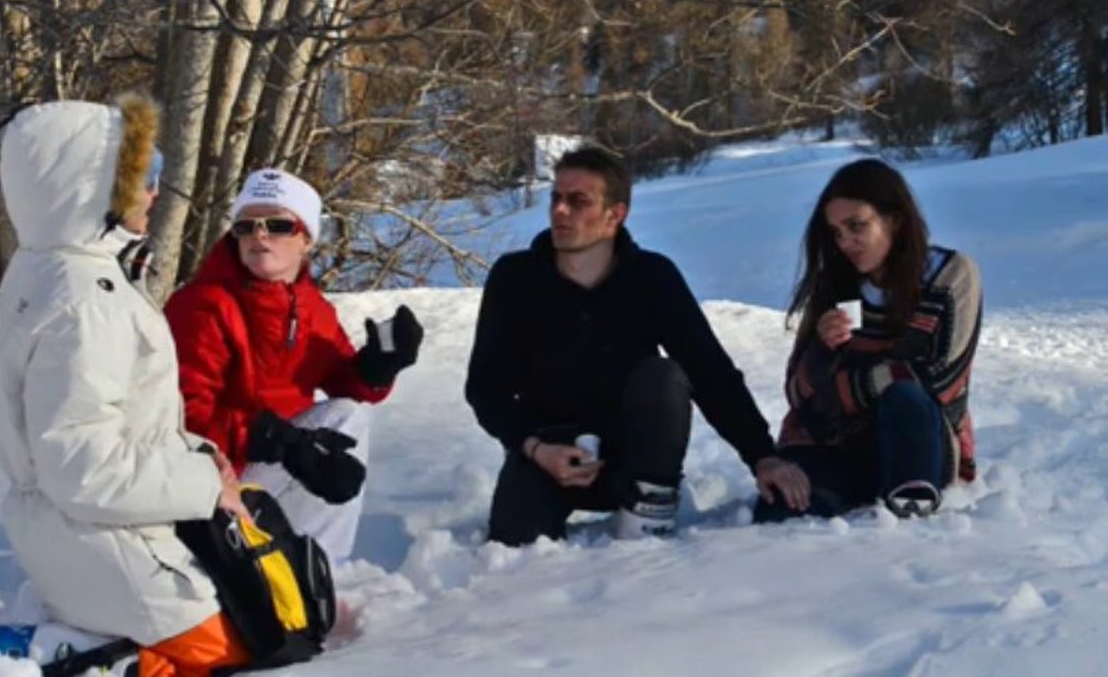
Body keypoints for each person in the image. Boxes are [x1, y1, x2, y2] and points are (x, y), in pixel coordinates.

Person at [0, 96, 257, 677]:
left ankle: (71, 647)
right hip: (101, 538)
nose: (155, 192)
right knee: (237, 653)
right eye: (144, 176)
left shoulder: (44, 267)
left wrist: (197, 455)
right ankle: (76, 661)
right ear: (92, 187)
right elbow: (82, 467)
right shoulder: (87, 302)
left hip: (69, 534)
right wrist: (205, 481)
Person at [464, 146, 810, 546]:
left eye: (578, 201)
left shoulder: (650, 277)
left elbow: (710, 372)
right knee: (515, 544)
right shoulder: (516, 278)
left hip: (634, 455)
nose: (560, 211)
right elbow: (486, 388)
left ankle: (651, 511)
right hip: (547, 451)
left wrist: (762, 455)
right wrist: (535, 448)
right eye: (556, 198)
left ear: (615, 215)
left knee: (665, 377)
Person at [165, 168, 423, 564]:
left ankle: (317, 566)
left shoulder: (309, 306)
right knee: (331, 430)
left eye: (278, 225)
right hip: (212, 477)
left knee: (348, 417)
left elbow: (346, 385)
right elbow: (182, 421)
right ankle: (298, 571)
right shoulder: (201, 305)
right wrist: (276, 441)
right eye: (245, 226)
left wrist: (376, 369)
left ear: (306, 240)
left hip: (272, 462)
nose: (259, 235)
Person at [757, 158, 982, 522]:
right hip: (831, 442)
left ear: (894, 219)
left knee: (906, 398)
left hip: (916, 440)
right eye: (836, 232)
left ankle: (910, 518)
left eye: (856, 226)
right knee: (781, 515)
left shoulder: (950, 276)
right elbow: (798, 395)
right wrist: (821, 350)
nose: (845, 242)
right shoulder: (832, 285)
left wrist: (845, 387)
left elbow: (937, 381)